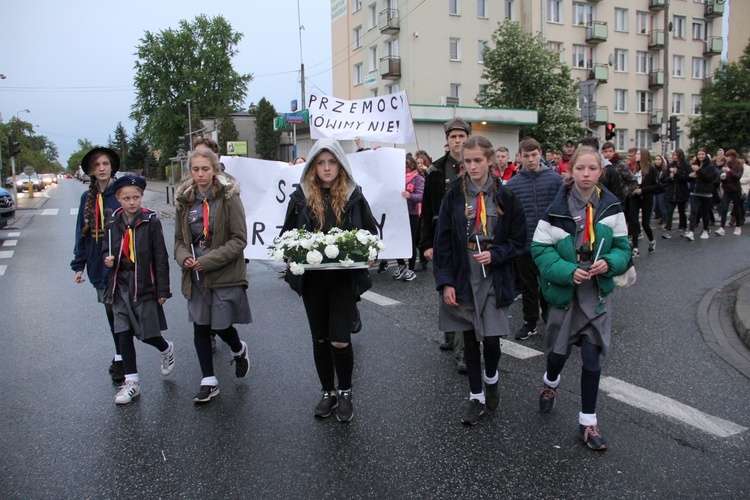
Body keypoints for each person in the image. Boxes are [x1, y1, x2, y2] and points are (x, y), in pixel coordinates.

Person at [531, 146, 631, 451]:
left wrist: (611, 262)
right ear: (570, 171)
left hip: (596, 292)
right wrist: (565, 270)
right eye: (580, 169)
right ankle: (550, 383)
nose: (586, 174)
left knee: (591, 357)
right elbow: (539, 249)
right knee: (558, 355)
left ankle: (588, 422)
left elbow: (624, 248)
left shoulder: (612, 207)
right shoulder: (556, 207)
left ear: (601, 172)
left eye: (592, 168)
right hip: (566, 291)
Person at [280, 138, 377, 422]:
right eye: (320, 162)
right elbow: (287, 233)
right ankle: (327, 392)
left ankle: (345, 391)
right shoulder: (300, 197)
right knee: (320, 338)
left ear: (340, 164)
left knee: (339, 340)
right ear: (312, 166)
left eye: (332, 162)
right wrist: (289, 254)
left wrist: (368, 252)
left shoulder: (353, 195)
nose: (326, 168)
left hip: (343, 281)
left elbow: (370, 231)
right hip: (312, 282)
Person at [432, 136, 526, 425]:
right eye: (467, 161)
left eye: (477, 161)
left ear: (490, 161)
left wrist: (497, 254)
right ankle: (476, 396)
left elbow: (519, 240)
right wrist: (446, 281)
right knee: (470, 337)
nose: (472, 167)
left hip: (493, 274)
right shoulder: (454, 195)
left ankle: (491, 377)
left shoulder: (505, 196)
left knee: (493, 339)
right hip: (464, 271)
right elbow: (444, 240)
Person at [174, 149, 252, 403]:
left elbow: (239, 239)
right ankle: (209, 380)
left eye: (205, 169)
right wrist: (183, 256)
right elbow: (178, 240)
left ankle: (239, 349)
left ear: (215, 170)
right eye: (195, 169)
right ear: (190, 171)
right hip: (195, 275)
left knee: (220, 325)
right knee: (201, 325)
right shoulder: (185, 200)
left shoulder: (229, 197)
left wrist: (207, 261)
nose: (200, 174)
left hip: (223, 271)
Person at [102, 175, 173, 405]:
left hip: (143, 283)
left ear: (141, 197)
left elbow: (160, 256)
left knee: (147, 333)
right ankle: (132, 382)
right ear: (118, 199)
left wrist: (162, 289)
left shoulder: (151, 221)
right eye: (126, 198)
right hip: (120, 283)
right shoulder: (113, 222)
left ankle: (166, 348)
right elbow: (106, 247)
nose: (131, 202)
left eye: (136, 197)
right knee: (122, 332)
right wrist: (107, 258)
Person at [419, 118, 471, 372]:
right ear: (447, 141)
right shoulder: (436, 170)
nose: (458, 141)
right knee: (445, 287)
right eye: (454, 137)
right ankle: (451, 333)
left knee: (461, 291)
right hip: (442, 237)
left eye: (462, 136)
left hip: (468, 238)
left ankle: (463, 352)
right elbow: (427, 207)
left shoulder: (475, 165)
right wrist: (426, 243)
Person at [71, 147, 125, 383]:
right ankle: (120, 355)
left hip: (123, 263)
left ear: (112, 166)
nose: (102, 169)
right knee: (111, 312)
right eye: (97, 166)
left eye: (105, 164)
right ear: (91, 171)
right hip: (98, 265)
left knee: (124, 311)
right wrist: (79, 264)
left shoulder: (122, 192)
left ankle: (130, 354)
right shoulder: (87, 198)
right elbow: (80, 234)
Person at [506, 137, 563, 340]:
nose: (530, 159)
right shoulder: (513, 184)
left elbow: (562, 210)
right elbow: (510, 216)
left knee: (549, 283)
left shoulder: (555, 180)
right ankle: (530, 322)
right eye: (526, 155)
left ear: (541, 154)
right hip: (525, 244)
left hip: (549, 244)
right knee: (529, 286)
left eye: (534, 155)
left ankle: (550, 318)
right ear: (520, 157)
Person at [393, 156, 423, 282]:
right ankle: (401, 264)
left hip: (411, 214)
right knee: (396, 240)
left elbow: (421, 196)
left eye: (405, 166)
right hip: (398, 213)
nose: (403, 169)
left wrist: (410, 196)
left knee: (410, 242)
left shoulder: (418, 179)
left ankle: (411, 268)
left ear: (411, 166)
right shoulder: (396, 178)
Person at [628, 148, 659, 256]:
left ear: (644, 156)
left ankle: (651, 240)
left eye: (638, 154)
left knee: (645, 223)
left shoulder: (651, 169)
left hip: (646, 198)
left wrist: (642, 190)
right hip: (635, 198)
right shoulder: (635, 168)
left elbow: (656, 185)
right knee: (634, 221)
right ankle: (635, 247)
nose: (636, 155)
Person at [685, 148, 717, 241]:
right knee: (693, 212)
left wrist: (699, 170)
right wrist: (690, 176)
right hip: (695, 192)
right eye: (699, 154)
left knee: (705, 212)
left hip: (706, 193)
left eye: (702, 154)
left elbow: (709, 178)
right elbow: (690, 178)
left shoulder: (710, 166)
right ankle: (691, 231)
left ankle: (705, 230)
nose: (700, 156)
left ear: (706, 155)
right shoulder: (695, 165)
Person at [660, 150, 691, 239]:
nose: (675, 157)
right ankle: (668, 230)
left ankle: (684, 228)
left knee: (682, 212)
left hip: (681, 192)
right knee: (669, 211)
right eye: (674, 155)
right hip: (671, 192)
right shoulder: (670, 166)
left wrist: (677, 173)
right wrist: (670, 177)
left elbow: (688, 178)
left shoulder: (686, 166)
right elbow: (663, 179)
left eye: (677, 155)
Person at [716, 149, 744, 236]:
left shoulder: (739, 165)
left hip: (736, 190)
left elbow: (737, 177)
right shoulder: (726, 165)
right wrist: (722, 178)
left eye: (728, 156)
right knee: (724, 208)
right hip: (727, 190)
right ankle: (722, 228)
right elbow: (724, 178)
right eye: (726, 156)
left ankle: (738, 226)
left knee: (737, 208)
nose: (727, 158)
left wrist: (729, 171)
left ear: (732, 157)